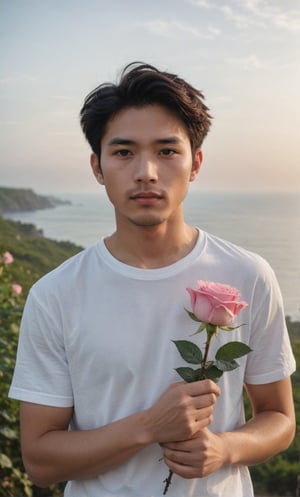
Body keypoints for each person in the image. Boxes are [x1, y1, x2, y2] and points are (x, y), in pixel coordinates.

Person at [9, 62, 296, 497]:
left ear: (195, 163)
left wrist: (225, 448)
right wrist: (148, 426)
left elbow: (278, 418)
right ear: (97, 166)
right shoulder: (56, 294)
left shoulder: (248, 274)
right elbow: (41, 461)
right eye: (124, 152)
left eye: (167, 151)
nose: (146, 171)